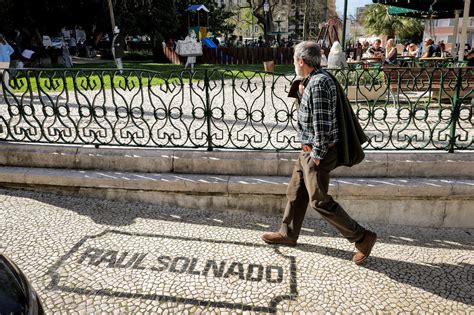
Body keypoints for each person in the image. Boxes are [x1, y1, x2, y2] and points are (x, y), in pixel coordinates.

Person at [261, 41, 377, 265]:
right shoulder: (312, 80)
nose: (293, 63)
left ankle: (362, 238)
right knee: (296, 191)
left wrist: (317, 155)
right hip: (306, 150)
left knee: (319, 201)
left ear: (301, 61)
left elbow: (322, 126)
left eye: (295, 59)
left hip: (317, 152)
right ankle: (288, 234)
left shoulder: (319, 84)